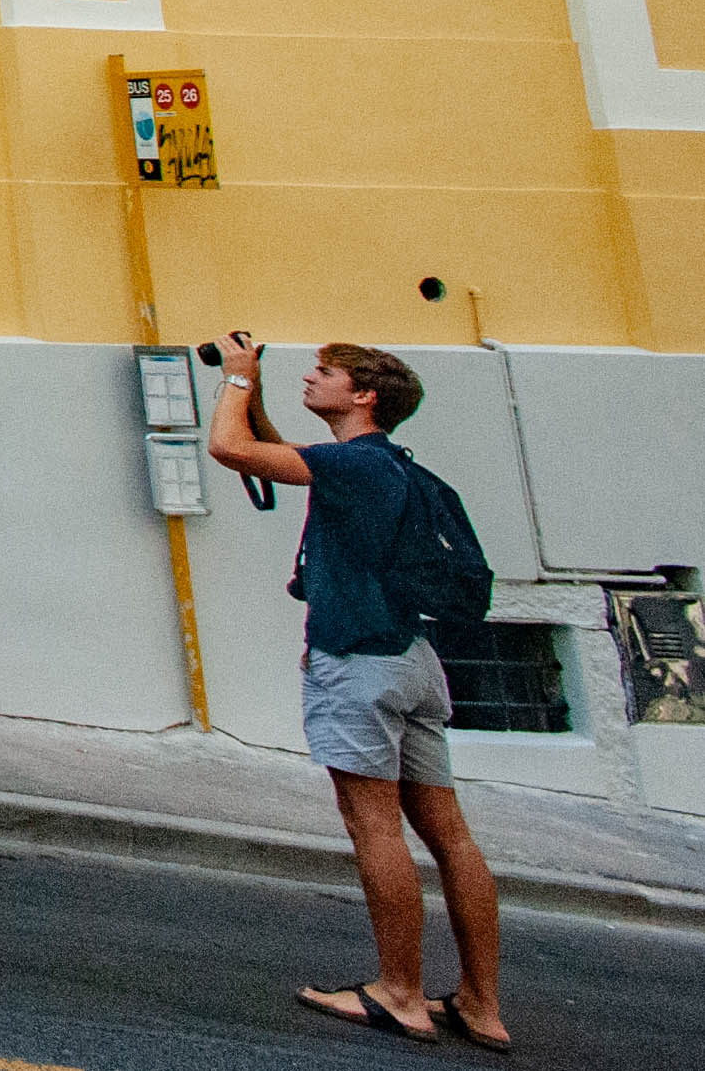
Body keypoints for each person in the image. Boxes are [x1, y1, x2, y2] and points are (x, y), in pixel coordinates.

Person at [207, 336, 508, 1049]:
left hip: (358, 660)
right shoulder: (386, 468)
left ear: (365, 395)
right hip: (413, 659)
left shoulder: (352, 464)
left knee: (372, 823)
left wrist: (239, 381)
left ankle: (399, 993)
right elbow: (284, 459)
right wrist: (262, 397)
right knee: (451, 835)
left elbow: (229, 447)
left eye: (327, 373)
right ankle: (481, 1004)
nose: (313, 376)